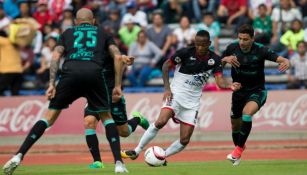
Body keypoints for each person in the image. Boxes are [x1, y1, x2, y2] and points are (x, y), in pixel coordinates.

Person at [2, 8, 128, 174]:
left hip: (70, 74)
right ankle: (119, 164)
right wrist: (118, 86)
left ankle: (18, 156)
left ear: (76, 22)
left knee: (48, 118)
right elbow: (118, 57)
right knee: (106, 117)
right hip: (94, 74)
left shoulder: (67, 33)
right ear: (93, 21)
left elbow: (55, 57)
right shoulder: (102, 32)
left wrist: (51, 83)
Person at [120, 30, 242, 162]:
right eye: (197, 44)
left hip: (192, 103)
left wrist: (230, 86)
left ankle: (162, 156)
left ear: (209, 43)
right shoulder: (185, 53)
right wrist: (167, 88)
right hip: (176, 94)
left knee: (184, 139)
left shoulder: (215, 60)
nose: (200, 47)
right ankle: (137, 150)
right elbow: (166, 65)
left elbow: (219, 82)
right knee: (160, 122)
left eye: (203, 45)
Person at [221, 24, 290, 166]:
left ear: (252, 39)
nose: (241, 42)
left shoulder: (261, 50)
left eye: (245, 39)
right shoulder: (231, 48)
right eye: (240, 38)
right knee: (235, 126)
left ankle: (238, 150)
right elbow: (217, 67)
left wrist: (286, 61)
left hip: (257, 91)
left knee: (247, 114)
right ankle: (239, 147)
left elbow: (282, 59)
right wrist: (224, 60)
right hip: (238, 92)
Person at [83, 38, 149, 169]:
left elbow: (122, 58)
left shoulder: (110, 53)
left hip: (114, 97)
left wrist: (127, 60)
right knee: (89, 122)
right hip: (95, 97)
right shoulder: (86, 55)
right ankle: (97, 161)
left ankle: (137, 118)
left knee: (124, 132)